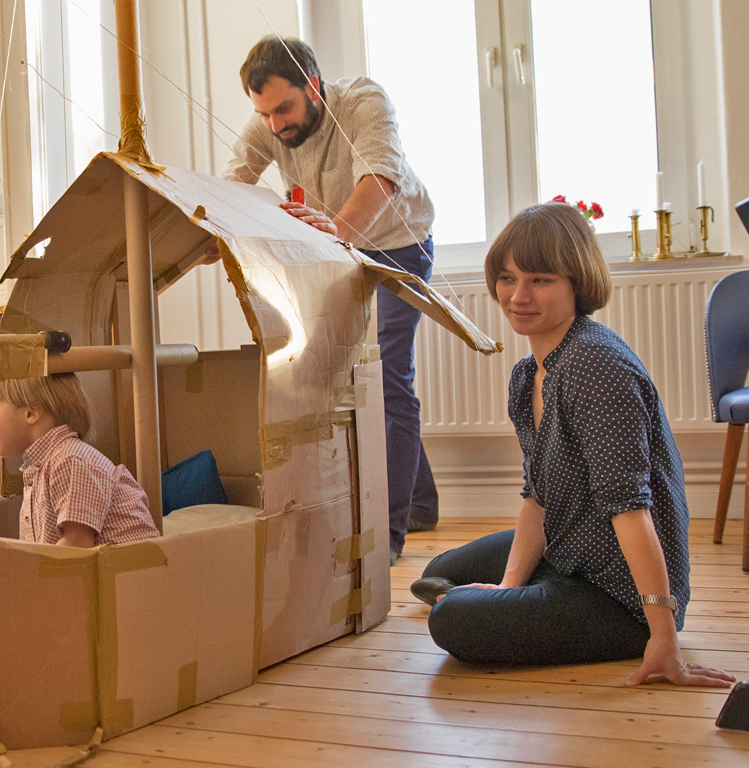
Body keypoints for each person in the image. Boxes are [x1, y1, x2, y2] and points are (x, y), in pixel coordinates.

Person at [409, 202, 734, 688]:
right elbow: (537, 494)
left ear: (577, 282)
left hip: (618, 592)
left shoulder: (595, 365)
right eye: (506, 277)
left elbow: (631, 509)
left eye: (540, 279)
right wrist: (509, 587)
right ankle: (529, 592)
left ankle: (583, 610)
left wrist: (662, 636)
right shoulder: (528, 376)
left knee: (450, 619)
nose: (518, 296)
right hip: (570, 543)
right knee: (441, 569)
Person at [223, 36, 437, 561]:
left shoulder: (364, 101)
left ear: (313, 86)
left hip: (397, 244)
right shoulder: (269, 123)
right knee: (347, 373)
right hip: (337, 247)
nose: (275, 124)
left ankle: (386, 536)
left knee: (388, 375)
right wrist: (212, 233)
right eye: (264, 113)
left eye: (284, 109)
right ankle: (422, 501)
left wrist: (336, 235)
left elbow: (380, 178)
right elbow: (233, 185)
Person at [0, 373, 159, 547]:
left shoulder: (70, 460)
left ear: (30, 413)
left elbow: (77, 544)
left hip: (129, 573)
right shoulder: (43, 465)